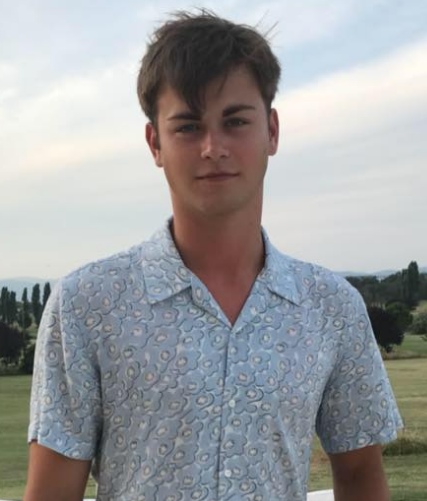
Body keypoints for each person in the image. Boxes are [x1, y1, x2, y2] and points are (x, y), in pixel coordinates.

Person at [24, 10, 403, 501]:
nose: (212, 147)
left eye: (235, 121)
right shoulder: (87, 304)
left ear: (272, 131)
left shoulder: (332, 308)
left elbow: (361, 476)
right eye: (187, 126)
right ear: (155, 143)